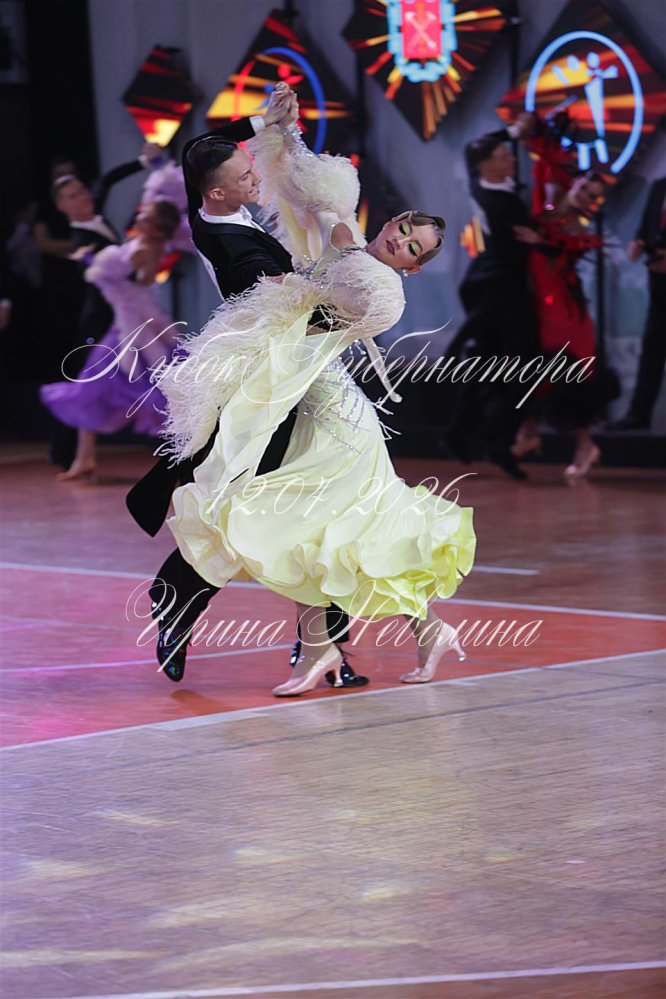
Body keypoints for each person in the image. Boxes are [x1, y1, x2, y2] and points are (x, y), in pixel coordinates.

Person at [157, 107, 474, 696]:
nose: (401, 241)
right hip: (309, 402)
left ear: (414, 267)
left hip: (333, 415)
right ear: (393, 219)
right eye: (404, 229)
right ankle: (385, 639)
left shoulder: (382, 288)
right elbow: (319, 206)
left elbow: (319, 299)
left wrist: (325, 249)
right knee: (325, 532)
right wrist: (281, 132)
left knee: (320, 530)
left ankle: (331, 648)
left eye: (413, 248)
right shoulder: (336, 242)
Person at [126, 89, 365, 688]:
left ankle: (324, 648)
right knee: (245, 506)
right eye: (244, 175)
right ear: (218, 193)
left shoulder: (208, 204)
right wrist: (363, 269)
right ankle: (178, 599)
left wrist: (266, 121)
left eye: (249, 166)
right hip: (274, 383)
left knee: (330, 504)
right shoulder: (237, 251)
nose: (255, 175)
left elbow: (201, 145)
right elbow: (301, 303)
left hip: (301, 371)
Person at [39, 197, 184, 479]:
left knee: (156, 394)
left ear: (156, 229)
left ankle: (183, 461)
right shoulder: (141, 243)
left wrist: (104, 269)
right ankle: (84, 458)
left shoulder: (147, 248)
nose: (138, 218)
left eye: (146, 218)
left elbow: (141, 282)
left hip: (135, 333)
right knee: (91, 385)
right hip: (124, 327)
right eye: (141, 214)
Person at [445, 123, 541, 480]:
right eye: (503, 157)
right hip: (500, 290)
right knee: (526, 365)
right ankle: (495, 439)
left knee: (488, 362)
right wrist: (545, 241)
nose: (512, 160)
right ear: (485, 165)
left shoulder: (480, 182)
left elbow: (474, 148)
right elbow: (535, 238)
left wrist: (513, 132)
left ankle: (461, 433)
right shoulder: (501, 204)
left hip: (488, 284)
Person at [514, 165, 607, 478]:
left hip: (564, 310)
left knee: (569, 372)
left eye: (593, 197)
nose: (586, 198)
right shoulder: (549, 210)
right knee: (541, 369)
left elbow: (561, 255)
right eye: (585, 189)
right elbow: (545, 170)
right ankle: (528, 432)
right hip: (539, 303)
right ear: (575, 183)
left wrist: (538, 241)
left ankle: (584, 445)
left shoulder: (577, 227)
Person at [610, 176, 666, 431]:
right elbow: (646, 229)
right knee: (652, 350)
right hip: (658, 282)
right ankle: (638, 415)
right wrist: (639, 243)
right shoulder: (659, 186)